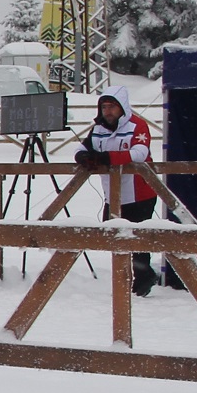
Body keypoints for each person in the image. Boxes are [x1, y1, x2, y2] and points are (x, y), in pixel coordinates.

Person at [77, 83, 160, 296]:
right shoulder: (98, 129)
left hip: (140, 192)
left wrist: (108, 158)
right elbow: (82, 148)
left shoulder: (137, 125)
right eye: (104, 107)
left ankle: (142, 278)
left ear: (122, 108)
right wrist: (83, 157)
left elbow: (140, 153)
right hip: (112, 194)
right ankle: (127, 275)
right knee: (114, 234)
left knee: (137, 237)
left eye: (112, 107)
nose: (108, 112)